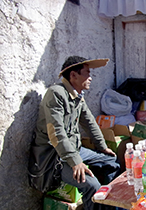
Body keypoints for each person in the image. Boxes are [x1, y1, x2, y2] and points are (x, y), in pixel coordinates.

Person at [33, 56, 120, 209]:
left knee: (111, 161)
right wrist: (75, 162)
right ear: (73, 75)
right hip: (55, 157)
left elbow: (89, 121)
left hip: (74, 149)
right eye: (87, 73)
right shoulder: (56, 94)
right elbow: (56, 132)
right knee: (92, 185)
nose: (91, 78)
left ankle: (108, 204)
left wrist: (102, 146)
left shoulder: (78, 96)